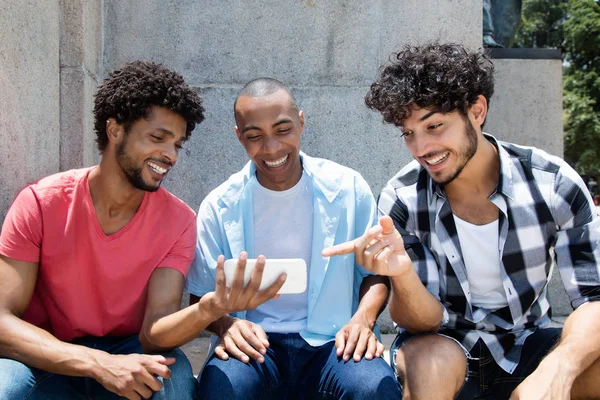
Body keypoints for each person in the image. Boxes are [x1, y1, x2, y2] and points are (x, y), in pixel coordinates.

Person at [325, 43, 600, 399]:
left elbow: (593, 300)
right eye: (409, 133)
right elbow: (422, 322)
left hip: (528, 340)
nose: (421, 147)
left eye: (434, 125)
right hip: (444, 341)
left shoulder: (552, 183)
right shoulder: (402, 197)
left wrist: (557, 370)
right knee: (430, 361)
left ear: (477, 111)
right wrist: (402, 273)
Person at [0, 61, 284, 400]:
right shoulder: (40, 204)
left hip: (132, 350)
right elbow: (3, 323)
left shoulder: (178, 221)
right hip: (49, 353)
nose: (169, 155)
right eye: (157, 138)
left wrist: (209, 309)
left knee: (176, 384)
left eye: (177, 144)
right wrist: (97, 363)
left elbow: (154, 334)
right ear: (115, 130)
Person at [186, 78, 401, 399]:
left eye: (282, 129)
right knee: (221, 388)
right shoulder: (219, 205)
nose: (271, 147)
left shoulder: (347, 188)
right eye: (254, 136)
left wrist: (362, 320)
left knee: (375, 388)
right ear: (238, 137)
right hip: (255, 344)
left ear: (301, 122)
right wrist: (225, 325)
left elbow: (375, 275)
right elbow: (200, 296)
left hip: (332, 341)